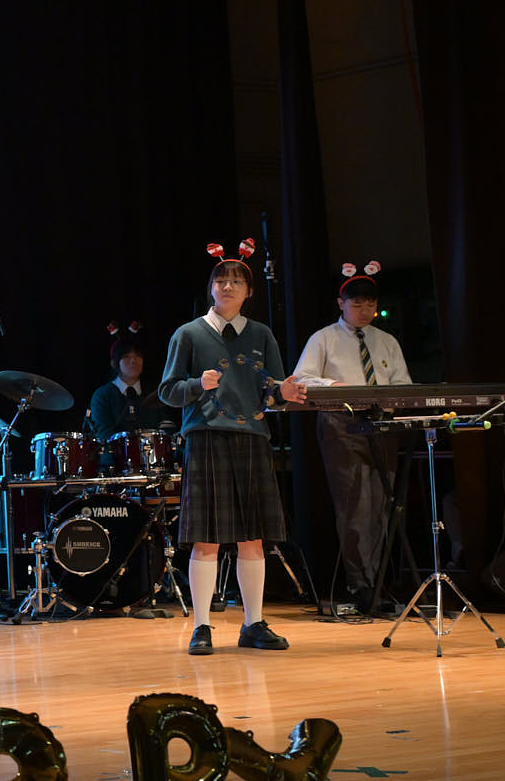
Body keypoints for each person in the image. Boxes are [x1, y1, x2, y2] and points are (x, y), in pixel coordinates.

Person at [158, 242, 307, 655]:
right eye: (221, 280)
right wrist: (196, 384)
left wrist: (284, 394)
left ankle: (253, 623)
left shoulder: (261, 334)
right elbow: (167, 390)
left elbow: (272, 390)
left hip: (253, 439)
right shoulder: (188, 334)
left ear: (249, 291)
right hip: (206, 437)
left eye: (236, 282)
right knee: (206, 540)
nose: (227, 286)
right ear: (211, 287)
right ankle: (202, 626)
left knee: (253, 538)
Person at [292, 262, 413, 614]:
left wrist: (392, 402)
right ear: (341, 304)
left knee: (382, 504)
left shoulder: (386, 340)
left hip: (381, 424)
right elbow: (302, 379)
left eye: (370, 304)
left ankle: (379, 582)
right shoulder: (324, 338)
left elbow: (403, 385)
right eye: (356, 304)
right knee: (355, 505)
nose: (364, 311)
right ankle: (360, 585)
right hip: (342, 423)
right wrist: (335, 385)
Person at [87, 324, 174, 442]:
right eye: (126, 357)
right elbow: (103, 433)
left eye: (138, 356)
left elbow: (167, 428)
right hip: (115, 453)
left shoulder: (155, 392)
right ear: (114, 363)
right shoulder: (102, 395)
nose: (133, 361)